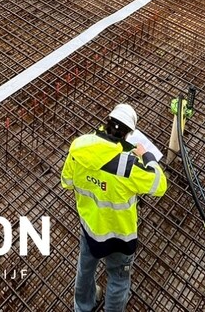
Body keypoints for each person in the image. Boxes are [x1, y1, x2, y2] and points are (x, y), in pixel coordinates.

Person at [61, 103, 167, 312]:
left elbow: (67, 182)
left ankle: (82, 307)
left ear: (106, 122)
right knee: (118, 279)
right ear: (128, 134)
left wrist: (93, 181)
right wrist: (147, 156)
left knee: (85, 270)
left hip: (90, 228)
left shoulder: (78, 149)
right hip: (121, 235)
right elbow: (160, 185)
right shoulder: (129, 167)